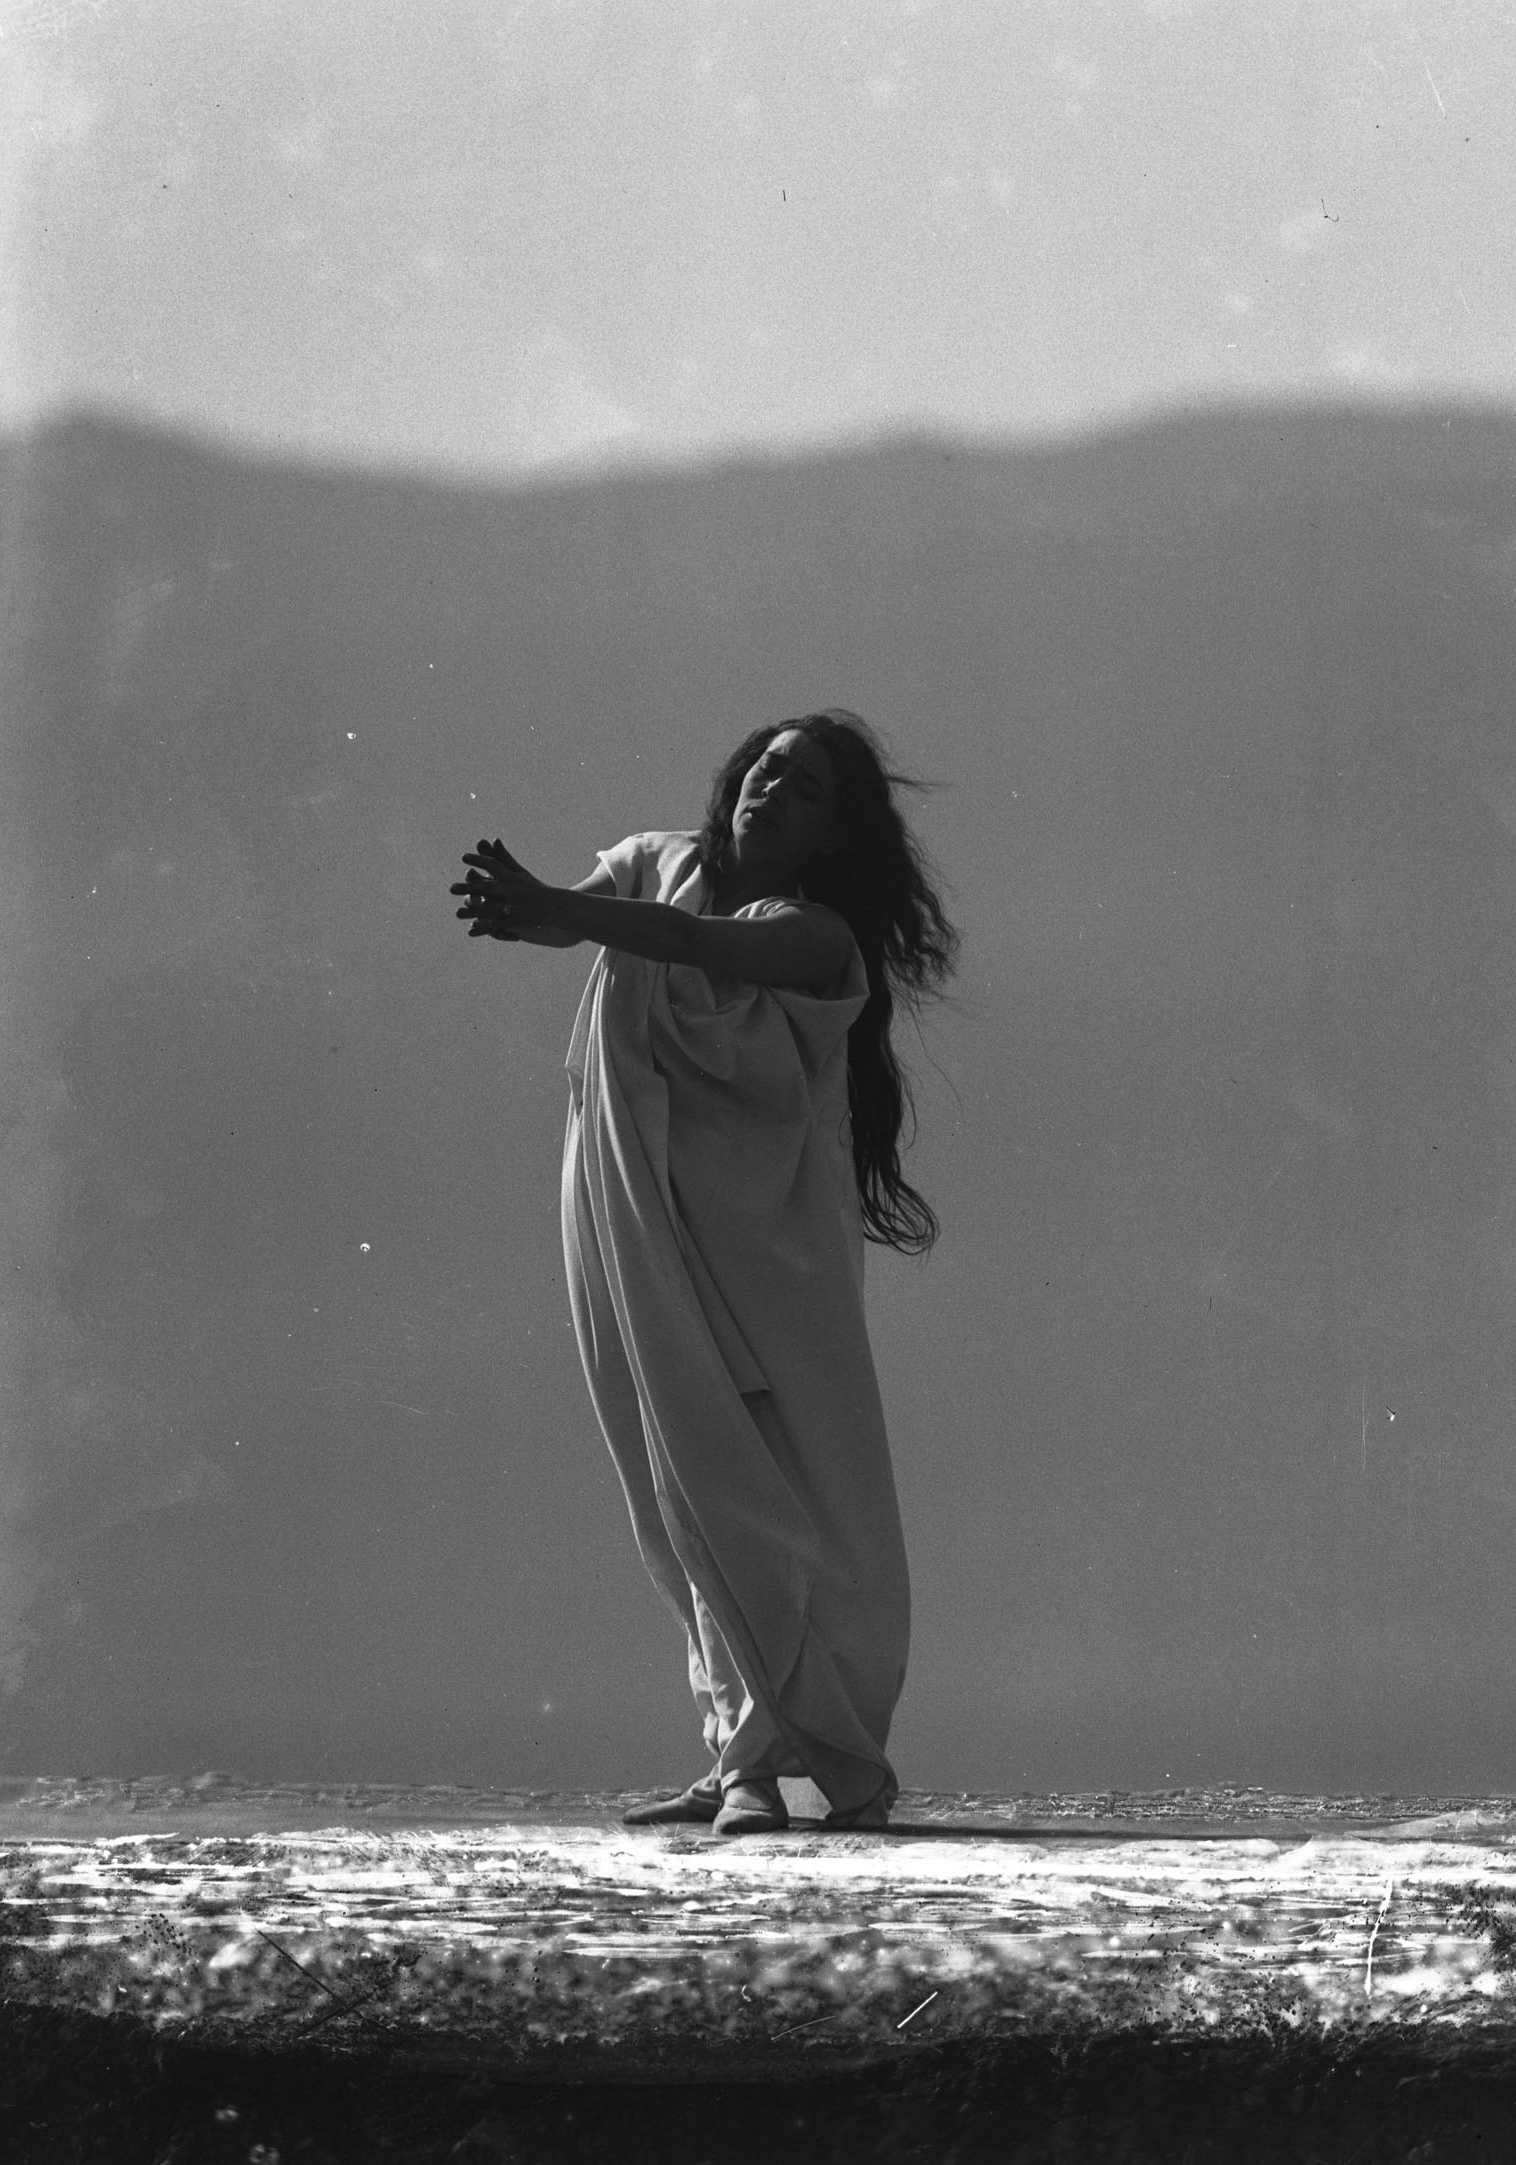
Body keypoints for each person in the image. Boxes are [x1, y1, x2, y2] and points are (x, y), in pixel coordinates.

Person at [452, 709, 957, 1835]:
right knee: (671, 1481)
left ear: (834, 833)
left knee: (754, 1487)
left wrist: (564, 909)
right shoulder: (652, 860)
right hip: (635, 1223)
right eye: (767, 768)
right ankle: (739, 1748)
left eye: (806, 788)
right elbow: (576, 919)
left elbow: (689, 945)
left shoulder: (818, 936)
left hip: (765, 1255)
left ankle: (790, 1763)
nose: (772, 791)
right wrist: (532, 908)